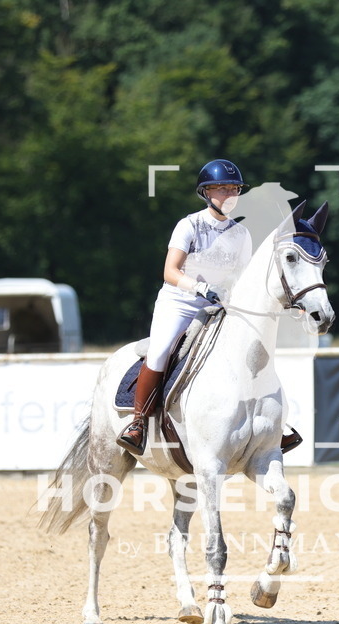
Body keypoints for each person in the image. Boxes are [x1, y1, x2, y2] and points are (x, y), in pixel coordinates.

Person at [116, 159, 253, 455]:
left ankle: (270, 426)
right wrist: (200, 287)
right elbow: (170, 271)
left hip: (217, 307)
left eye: (235, 189)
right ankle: (138, 423)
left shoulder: (242, 235)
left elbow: (243, 278)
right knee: (162, 349)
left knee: (250, 351)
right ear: (206, 192)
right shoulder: (189, 225)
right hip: (180, 302)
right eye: (223, 189)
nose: (231, 194)